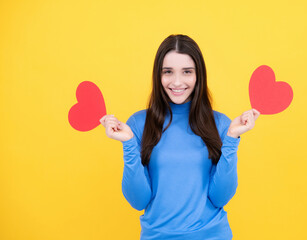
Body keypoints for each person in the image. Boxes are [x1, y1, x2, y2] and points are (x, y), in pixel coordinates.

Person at [99, 34, 260, 240]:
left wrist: (231, 140)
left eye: (187, 72)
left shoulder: (220, 124)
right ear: (158, 75)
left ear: (198, 75)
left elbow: (221, 197)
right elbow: (138, 201)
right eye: (168, 72)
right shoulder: (139, 124)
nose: (177, 82)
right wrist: (128, 144)